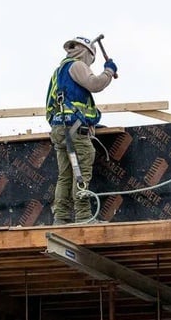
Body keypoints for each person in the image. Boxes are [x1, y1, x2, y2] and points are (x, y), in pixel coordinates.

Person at [45, 36, 117, 224]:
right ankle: (84, 217)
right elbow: (95, 84)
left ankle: (60, 218)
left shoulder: (58, 72)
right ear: (88, 53)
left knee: (65, 175)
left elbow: (50, 106)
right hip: (74, 129)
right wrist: (108, 71)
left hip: (59, 128)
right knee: (82, 172)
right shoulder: (77, 66)